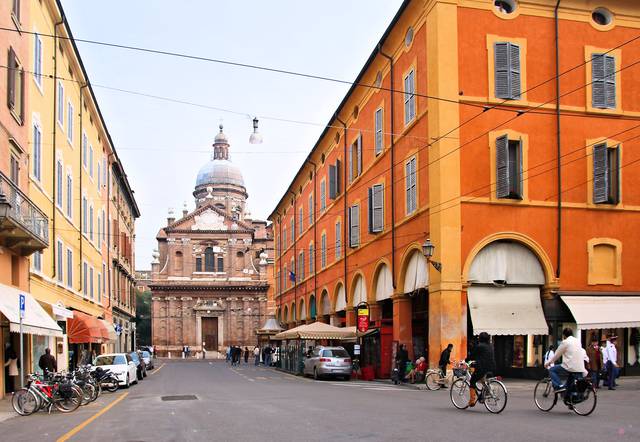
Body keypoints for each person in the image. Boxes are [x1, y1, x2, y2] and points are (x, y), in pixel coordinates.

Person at [544, 328, 588, 392]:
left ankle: (559, 386)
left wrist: (548, 363)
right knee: (569, 385)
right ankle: (568, 395)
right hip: (580, 367)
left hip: (570, 367)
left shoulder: (565, 342)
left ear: (564, 335)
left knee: (552, 370)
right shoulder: (578, 341)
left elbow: (556, 355)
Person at [467, 332, 496, 407]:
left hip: (482, 367)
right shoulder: (490, 346)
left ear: (480, 338)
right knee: (483, 380)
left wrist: (466, 360)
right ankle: (484, 393)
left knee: (472, 381)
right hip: (491, 367)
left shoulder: (480, 346)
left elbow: (472, 355)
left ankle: (472, 401)